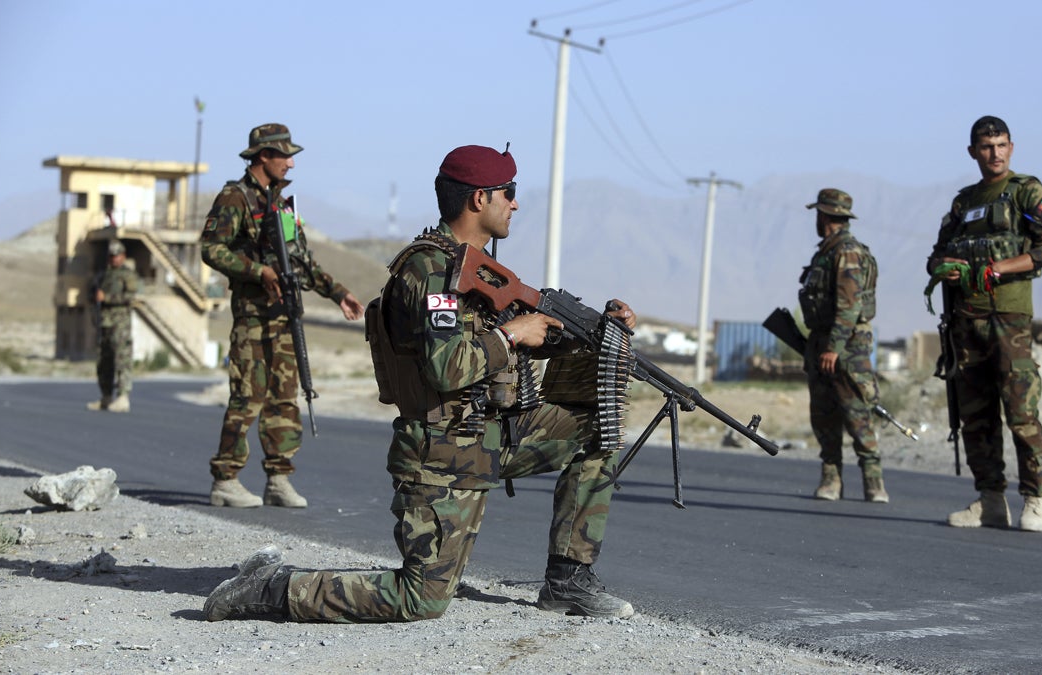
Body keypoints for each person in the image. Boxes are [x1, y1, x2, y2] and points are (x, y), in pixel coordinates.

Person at [204, 143, 639, 623]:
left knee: (601, 430)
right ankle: (269, 588)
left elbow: (522, 341)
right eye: (508, 193)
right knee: (421, 599)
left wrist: (598, 329)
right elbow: (446, 368)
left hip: (491, 432)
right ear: (478, 199)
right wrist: (511, 335)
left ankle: (567, 582)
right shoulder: (429, 271)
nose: (515, 204)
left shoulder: (479, 271)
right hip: (442, 451)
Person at [200, 123, 364, 509]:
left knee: (284, 399)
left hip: (285, 317)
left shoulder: (282, 204)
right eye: (284, 156)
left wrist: (338, 293)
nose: (290, 163)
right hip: (254, 318)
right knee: (247, 397)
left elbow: (300, 262)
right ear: (263, 157)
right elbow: (212, 249)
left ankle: (278, 478)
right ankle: (226, 480)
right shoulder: (234, 198)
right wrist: (259, 272)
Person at [927, 115, 1042, 532]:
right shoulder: (963, 203)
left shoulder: (1026, 192)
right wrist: (946, 268)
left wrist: (1002, 267)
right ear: (973, 152)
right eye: (987, 147)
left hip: (1009, 319)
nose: (995, 153)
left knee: (1021, 411)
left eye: (1001, 145)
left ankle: (1036, 500)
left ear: (1012, 147)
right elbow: (936, 256)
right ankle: (989, 500)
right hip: (966, 322)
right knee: (976, 415)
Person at [798, 189, 888, 503]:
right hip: (823, 340)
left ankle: (873, 482)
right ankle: (831, 478)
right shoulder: (827, 251)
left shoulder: (847, 252)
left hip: (846, 347)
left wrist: (834, 348)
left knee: (856, 413)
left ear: (824, 215)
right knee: (824, 414)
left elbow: (849, 307)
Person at [87, 240, 139, 413]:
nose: (114, 259)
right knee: (104, 361)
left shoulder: (127, 275)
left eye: (117, 256)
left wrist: (107, 298)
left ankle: (123, 398)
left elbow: (130, 297)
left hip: (120, 324)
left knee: (121, 359)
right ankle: (106, 396)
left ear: (123, 256)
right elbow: (92, 296)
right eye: (111, 256)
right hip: (104, 323)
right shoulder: (103, 275)